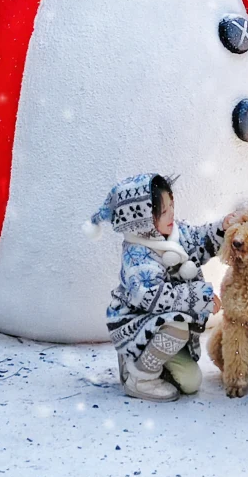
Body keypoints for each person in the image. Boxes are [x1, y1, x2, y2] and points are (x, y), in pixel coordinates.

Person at [86, 172, 227, 402]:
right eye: (163, 211)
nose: (171, 214)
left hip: (162, 325)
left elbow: (200, 240)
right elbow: (152, 296)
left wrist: (223, 227)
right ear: (141, 220)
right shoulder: (138, 256)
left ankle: (152, 362)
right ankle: (139, 377)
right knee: (177, 326)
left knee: (191, 382)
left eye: (171, 205)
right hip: (136, 323)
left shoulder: (173, 234)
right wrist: (200, 296)